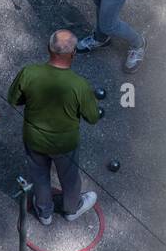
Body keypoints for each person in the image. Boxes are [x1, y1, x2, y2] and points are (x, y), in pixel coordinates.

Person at [7, 29, 101, 225]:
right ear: (73, 54)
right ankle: (71, 209)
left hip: (34, 139)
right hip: (65, 144)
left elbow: (13, 99)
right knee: (70, 178)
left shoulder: (29, 73)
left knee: (39, 176)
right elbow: (92, 118)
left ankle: (44, 213)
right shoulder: (79, 85)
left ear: (47, 48)